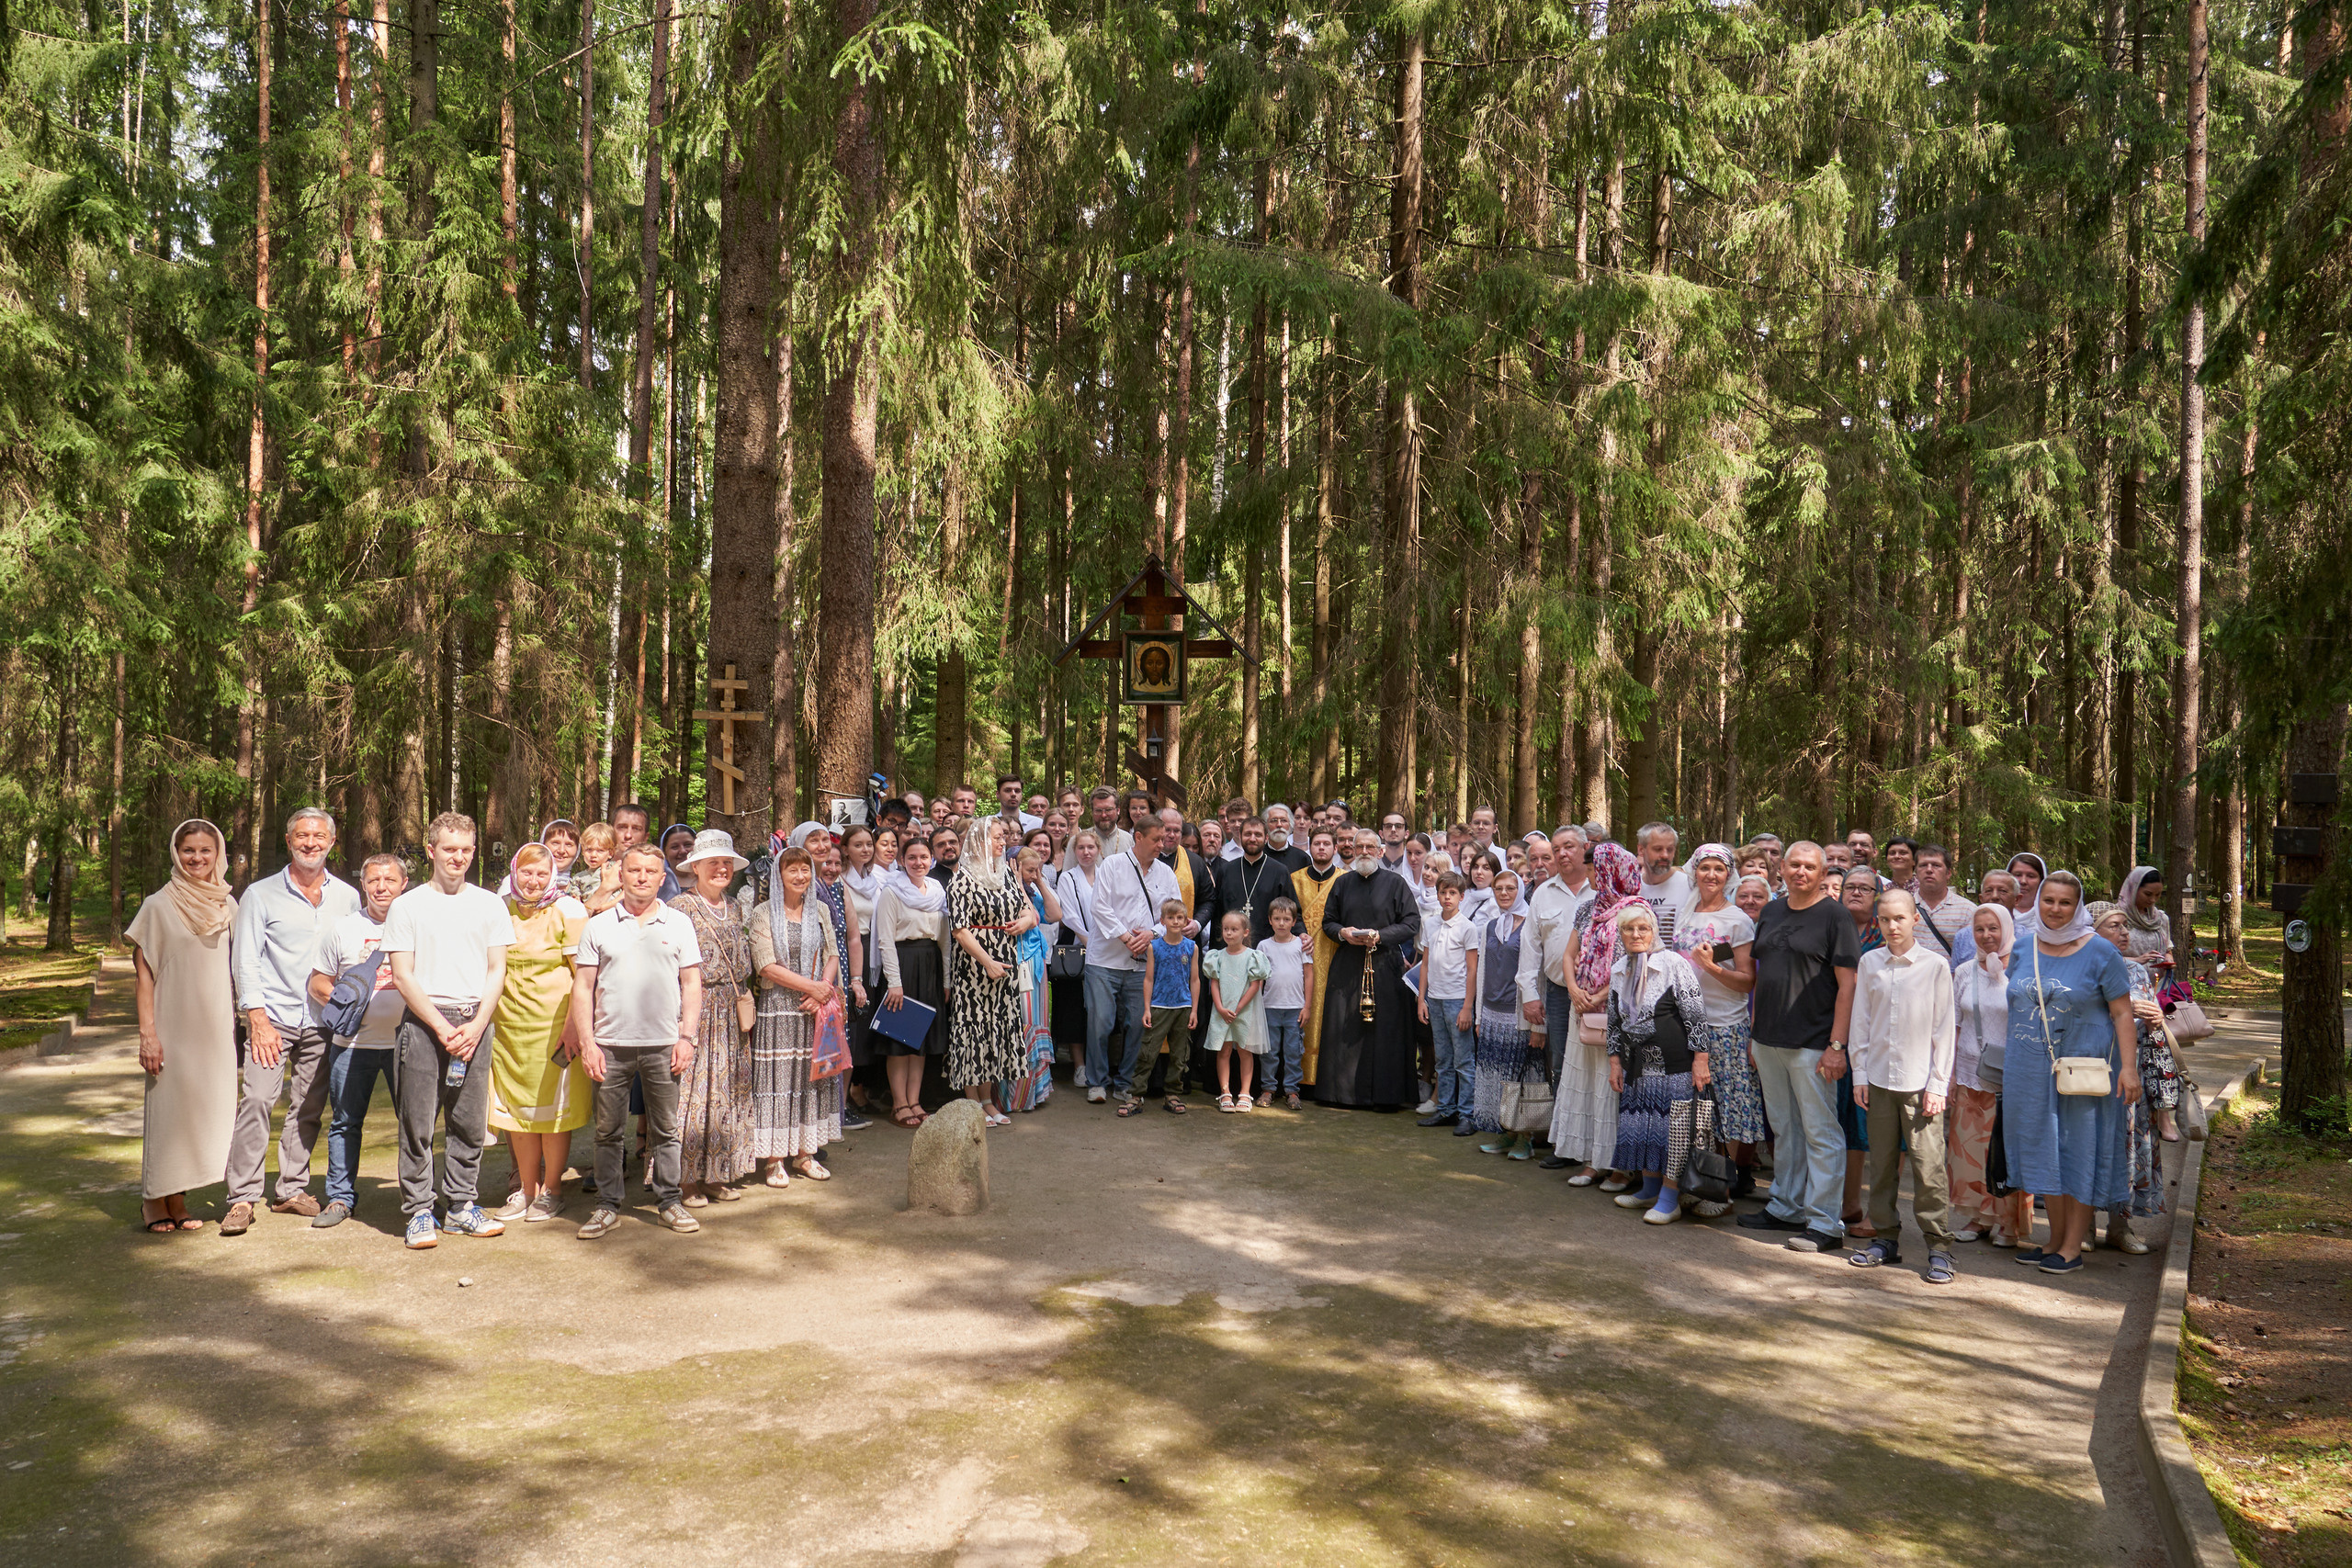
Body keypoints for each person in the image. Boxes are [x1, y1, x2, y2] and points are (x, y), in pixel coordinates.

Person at [224, 807, 360, 1231]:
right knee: (258, 1101)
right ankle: (243, 1197)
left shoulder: (348, 897)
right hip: (274, 1018)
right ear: (288, 841)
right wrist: (256, 1019)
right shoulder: (261, 895)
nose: (311, 843)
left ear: (331, 843)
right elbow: (245, 959)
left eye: (319, 837)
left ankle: (291, 1189)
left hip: (324, 1021)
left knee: (309, 1106)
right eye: (302, 836)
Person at [383, 812, 514, 1249]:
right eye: (449, 849)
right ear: (431, 851)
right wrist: (441, 1027)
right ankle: (420, 1210)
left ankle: (460, 1207)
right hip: (424, 1024)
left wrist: (477, 1024)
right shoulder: (408, 905)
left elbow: (498, 969)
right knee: (418, 1123)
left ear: (473, 852)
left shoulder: (490, 904)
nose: (457, 857)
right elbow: (403, 976)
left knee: (469, 1121)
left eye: (465, 850)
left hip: (475, 1022)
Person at [2002, 870, 2141, 1275]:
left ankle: (2073, 1246)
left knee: (2078, 1149)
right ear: (2039, 902)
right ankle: (2053, 1240)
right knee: (2044, 1149)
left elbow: (2122, 1012)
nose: (2056, 909)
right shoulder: (2024, 947)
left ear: (2077, 906)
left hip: (2084, 1069)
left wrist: (2128, 1069)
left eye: (2065, 902)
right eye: (2049, 901)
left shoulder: (2101, 952)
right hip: (2029, 1068)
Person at [1734, 841, 1860, 1256]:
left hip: (1813, 1044)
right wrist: (1755, 1036)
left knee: (1821, 1133)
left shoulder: (1835, 916)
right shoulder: (1770, 911)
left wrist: (1837, 1046)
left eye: (1810, 866)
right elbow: (1761, 976)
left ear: (1823, 873)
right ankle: (1786, 1205)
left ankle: (1825, 1222)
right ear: (1781, 869)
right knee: (1786, 1128)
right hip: (1768, 1040)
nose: (1801, 872)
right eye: (1794, 865)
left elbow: (1848, 986)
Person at [573, 845, 704, 1237]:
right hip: (610, 1045)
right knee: (608, 1131)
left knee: (666, 1129)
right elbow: (582, 987)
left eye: (651, 871)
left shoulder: (679, 923)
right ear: (621, 874)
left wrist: (687, 1038)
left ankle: (669, 1202)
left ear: (662, 878)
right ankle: (607, 1205)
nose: (642, 877)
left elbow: (692, 983)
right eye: (634, 870)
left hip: (665, 1043)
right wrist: (587, 1042)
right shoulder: (598, 925)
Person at [130, 819, 240, 1235]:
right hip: (171, 1027)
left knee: (205, 1114)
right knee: (169, 1113)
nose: (197, 858)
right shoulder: (157, 906)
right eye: (188, 850)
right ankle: (152, 1199)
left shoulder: (228, 905)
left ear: (218, 855)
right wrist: (148, 1034)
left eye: (205, 851)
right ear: (176, 854)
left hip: (214, 1029)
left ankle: (178, 1196)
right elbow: (144, 976)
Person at [1845, 889, 1961, 1282]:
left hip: (1920, 1083)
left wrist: (1938, 1083)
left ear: (1914, 919)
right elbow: (1860, 1021)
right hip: (1878, 1080)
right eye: (1884, 919)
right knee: (1880, 1167)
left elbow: (1944, 1029)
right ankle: (1885, 1238)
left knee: (1928, 1170)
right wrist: (1859, 1074)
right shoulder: (1870, 962)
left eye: (1899, 918)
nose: (1892, 926)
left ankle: (1938, 1246)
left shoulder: (1934, 966)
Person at [484, 843, 591, 1222]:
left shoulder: (568, 910)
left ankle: (553, 1190)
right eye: (527, 873)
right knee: (519, 1115)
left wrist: (575, 1025)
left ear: (553, 876)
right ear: (515, 872)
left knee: (554, 1113)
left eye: (541, 874)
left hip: (556, 1027)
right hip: (511, 1027)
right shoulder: (500, 910)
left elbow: (584, 975)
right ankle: (525, 1191)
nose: (533, 881)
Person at [307, 852, 410, 1228]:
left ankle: (418, 1198)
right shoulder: (343, 929)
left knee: (413, 1122)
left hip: (407, 1043)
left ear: (404, 885)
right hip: (352, 1045)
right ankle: (339, 1198)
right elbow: (317, 980)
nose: (381, 887)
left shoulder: (417, 925)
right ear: (363, 884)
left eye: (390, 881)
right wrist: (342, 999)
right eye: (374, 881)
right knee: (346, 1123)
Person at [1602, 904, 1710, 1224]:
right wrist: (1615, 1063)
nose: (1636, 935)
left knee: (1673, 1129)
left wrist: (1701, 1060)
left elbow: (1695, 1014)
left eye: (1643, 929)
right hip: (1637, 1063)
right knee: (1644, 1125)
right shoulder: (1620, 967)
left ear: (1654, 931)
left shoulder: (1673, 963)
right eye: (1628, 929)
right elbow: (1613, 1020)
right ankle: (1649, 1188)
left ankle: (1670, 1198)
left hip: (1673, 1064)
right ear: (1620, 934)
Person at [669, 830, 755, 1204]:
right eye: (713, 863)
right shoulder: (678, 908)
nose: (721, 869)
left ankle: (717, 1173)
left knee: (725, 1092)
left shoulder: (736, 906)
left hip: (731, 1009)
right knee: (691, 1094)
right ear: (697, 868)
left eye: (726, 863)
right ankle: (685, 1179)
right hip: (695, 1008)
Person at [750, 845, 842, 1187]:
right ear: (779, 875)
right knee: (779, 1081)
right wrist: (812, 988)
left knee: (811, 1080)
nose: (800, 876)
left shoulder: (819, 909)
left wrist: (823, 989)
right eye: (792, 870)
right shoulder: (762, 913)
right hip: (779, 1011)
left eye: (805, 870)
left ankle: (805, 1153)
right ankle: (774, 1159)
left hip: (814, 1009)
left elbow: (832, 953)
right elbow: (766, 965)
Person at [1548, 840, 1640, 1185]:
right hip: (1582, 1010)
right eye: (1590, 868)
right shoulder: (1587, 908)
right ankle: (1590, 1159)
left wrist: (1600, 994)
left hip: (1617, 1013)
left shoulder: (1636, 910)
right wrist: (1574, 989)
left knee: (1611, 1084)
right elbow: (1568, 955)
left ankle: (1618, 1164)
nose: (1590, 874)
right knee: (1585, 1081)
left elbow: (1634, 965)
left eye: (1595, 867)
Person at [1674, 843, 1763, 1195]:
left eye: (1719, 869)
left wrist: (1711, 968)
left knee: (1726, 1106)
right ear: (1694, 871)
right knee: (1690, 1108)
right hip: (1684, 1023)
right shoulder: (1685, 912)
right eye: (1705, 867)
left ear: (1729, 876)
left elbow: (1748, 980)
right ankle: (1691, 1181)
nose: (1711, 875)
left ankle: (1720, 1187)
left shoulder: (1737, 919)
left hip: (1723, 1025)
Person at [1315, 828, 1423, 1111]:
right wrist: (1344, 933)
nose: (1364, 851)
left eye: (1370, 847)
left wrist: (1381, 935)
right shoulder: (1342, 883)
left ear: (1380, 851)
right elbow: (1328, 922)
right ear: (1351, 850)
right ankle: (1342, 1094)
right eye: (1359, 846)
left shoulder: (1396, 883)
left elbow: (1411, 923)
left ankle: (1384, 1096)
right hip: (1348, 966)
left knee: (1386, 1031)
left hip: (1385, 965)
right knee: (1343, 1028)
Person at [1948, 902, 2033, 1247]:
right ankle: (1978, 1218)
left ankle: (2009, 1225)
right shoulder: (1965, 972)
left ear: (2007, 929)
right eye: (1979, 929)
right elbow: (1953, 1025)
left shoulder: (2024, 969)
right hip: (1970, 1072)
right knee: (1970, 1150)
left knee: (2006, 1149)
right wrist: (1950, 1074)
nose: (1986, 936)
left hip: (2013, 1075)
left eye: (1993, 928)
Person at [1082, 815, 1181, 1106]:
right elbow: (1099, 907)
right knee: (1100, 1023)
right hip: (1105, 961)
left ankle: (1126, 1083)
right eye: (1156, 840)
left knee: (1139, 1025)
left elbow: (1173, 915)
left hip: (1142, 965)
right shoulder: (1112, 865)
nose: (1162, 845)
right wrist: (1127, 937)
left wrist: (1151, 933)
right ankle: (1097, 1082)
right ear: (1138, 838)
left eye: (1164, 840)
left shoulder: (1166, 873)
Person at [2092, 900, 2172, 1254]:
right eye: (2114, 926)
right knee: (2090, 1148)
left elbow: (2151, 1020)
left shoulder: (2137, 972)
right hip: (2093, 1072)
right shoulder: (2083, 966)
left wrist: (2154, 1018)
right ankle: (2079, 1227)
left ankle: (2119, 1226)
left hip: (2130, 1071)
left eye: (2125, 926)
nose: (2125, 933)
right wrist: (2118, 1014)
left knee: (2127, 1147)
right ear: (2091, 932)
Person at [947, 817, 1035, 1126]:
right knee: (974, 1031)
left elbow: (1028, 911)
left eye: (1004, 838)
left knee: (995, 1032)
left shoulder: (1006, 876)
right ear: (979, 840)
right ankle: (973, 1103)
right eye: (996, 838)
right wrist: (987, 961)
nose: (1003, 843)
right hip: (974, 968)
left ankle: (988, 1100)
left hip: (1005, 963)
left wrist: (1024, 921)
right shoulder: (962, 879)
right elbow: (959, 929)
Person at [874, 837, 952, 1124]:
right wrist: (894, 982)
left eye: (923, 857)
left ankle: (915, 1101)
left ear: (931, 859)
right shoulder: (892, 892)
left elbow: (944, 939)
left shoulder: (937, 890)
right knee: (899, 1039)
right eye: (912, 858)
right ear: (902, 861)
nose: (918, 863)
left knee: (920, 1040)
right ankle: (899, 1104)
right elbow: (885, 940)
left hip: (930, 965)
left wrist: (946, 980)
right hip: (903, 966)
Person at [1470, 871, 1546, 1157]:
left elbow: (1536, 976)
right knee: (1498, 1077)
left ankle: (1524, 1139)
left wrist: (1539, 1025)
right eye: (1498, 888)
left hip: (1519, 1015)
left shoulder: (1531, 926)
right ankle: (1505, 1133)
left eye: (1510, 888)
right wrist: (1479, 1016)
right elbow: (1482, 973)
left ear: (1520, 889)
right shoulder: (1490, 926)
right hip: (1491, 1013)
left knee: (1522, 1077)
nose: (1504, 893)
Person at [1521, 827, 1593, 1102]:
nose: (1562, 853)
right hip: (1559, 994)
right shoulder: (1543, 893)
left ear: (1585, 847)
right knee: (1561, 1065)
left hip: (1599, 997)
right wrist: (1530, 995)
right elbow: (1529, 949)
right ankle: (1563, 1140)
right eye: (1557, 849)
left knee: (1597, 1064)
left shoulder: (1601, 888)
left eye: (1569, 846)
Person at [1005, 845, 1065, 1111]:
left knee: (1037, 1020)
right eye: (1029, 869)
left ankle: (1036, 1089)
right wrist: (1017, 881)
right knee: (1023, 1021)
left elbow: (1055, 915)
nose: (1033, 874)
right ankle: (1018, 1093)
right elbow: (1032, 916)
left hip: (1037, 960)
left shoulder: (1034, 886)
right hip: (1018, 959)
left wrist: (1038, 879)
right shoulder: (1007, 889)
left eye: (1037, 868)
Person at [1417, 873, 1479, 1128]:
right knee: (1443, 1059)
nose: (1447, 898)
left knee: (1463, 1059)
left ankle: (1466, 1114)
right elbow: (1425, 964)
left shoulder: (1467, 927)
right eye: (1443, 892)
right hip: (1436, 999)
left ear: (1461, 897)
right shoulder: (1431, 924)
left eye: (1452, 893)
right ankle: (1446, 1109)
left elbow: (1473, 970)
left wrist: (1467, 1006)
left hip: (1457, 1001)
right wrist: (1422, 999)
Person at [1128, 898, 1200, 1116]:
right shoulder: (1154, 946)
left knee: (1180, 1054)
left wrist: (1194, 1010)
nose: (1175, 922)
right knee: (1148, 1052)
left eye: (1180, 918)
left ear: (1186, 920)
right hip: (1159, 1005)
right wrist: (1147, 1008)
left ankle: (1173, 1094)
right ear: (1162, 921)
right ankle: (1136, 1096)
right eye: (1171, 917)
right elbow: (1148, 979)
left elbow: (1195, 980)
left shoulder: (1191, 947)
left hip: (1183, 1006)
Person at [1290, 825, 1343, 1087]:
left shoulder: (1345, 878)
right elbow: (1290, 913)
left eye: (1326, 844)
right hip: (1298, 956)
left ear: (1335, 848)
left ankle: (1324, 1078)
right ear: (1309, 847)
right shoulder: (1295, 879)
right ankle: (1296, 1079)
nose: (1321, 848)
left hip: (1335, 957)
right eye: (1316, 844)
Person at [1203, 909, 1272, 1110]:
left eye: (1234, 929)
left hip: (1245, 1012)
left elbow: (1255, 985)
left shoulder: (1253, 957)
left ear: (1245, 932)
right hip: (1222, 1011)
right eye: (1226, 929)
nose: (1229, 933)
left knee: (1245, 1051)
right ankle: (1225, 1092)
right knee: (1223, 1051)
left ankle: (1245, 1093)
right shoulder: (1217, 957)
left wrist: (1239, 1007)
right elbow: (1214, 983)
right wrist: (1221, 1008)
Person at [1258, 897, 1313, 1111]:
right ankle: (1268, 1089)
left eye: (1286, 919)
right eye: (1277, 918)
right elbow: (1259, 978)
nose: (1281, 923)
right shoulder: (1264, 946)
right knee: (1269, 1052)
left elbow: (1308, 975)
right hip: (1269, 1007)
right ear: (1270, 920)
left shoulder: (1301, 944)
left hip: (1295, 1008)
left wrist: (1307, 1006)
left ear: (1294, 921)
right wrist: (1257, 1006)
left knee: (1293, 1051)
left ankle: (1291, 1090)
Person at [1055, 829, 1102, 1081]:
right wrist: (1090, 941)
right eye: (1081, 848)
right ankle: (1079, 1065)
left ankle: (1098, 1063)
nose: (1086, 852)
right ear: (1075, 851)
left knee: (1099, 1009)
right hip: (1078, 948)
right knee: (1075, 1007)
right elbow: (1069, 915)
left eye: (1091, 848)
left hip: (1106, 950)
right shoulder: (1068, 878)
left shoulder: (1107, 876)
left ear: (1098, 850)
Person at [1212, 816, 1299, 948]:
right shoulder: (1226, 871)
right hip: (1230, 949)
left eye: (1258, 834)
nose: (1252, 839)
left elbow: (1293, 911)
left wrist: (1301, 934)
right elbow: (1217, 914)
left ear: (1266, 838)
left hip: (1269, 949)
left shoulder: (1280, 871)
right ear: (1240, 837)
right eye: (1248, 834)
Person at [1633, 822, 1691, 945]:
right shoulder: (1632, 887)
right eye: (1658, 849)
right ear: (1641, 850)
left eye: (1670, 849)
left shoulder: (1689, 885)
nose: (1665, 855)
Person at [1914, 844, 1974, 954]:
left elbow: (1971, 957)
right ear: (1916, 872)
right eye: (1923, 865)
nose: (1929, 870)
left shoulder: (1967, 911)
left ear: (1948, 873)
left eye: (1936, 865)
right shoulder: (1903, 907)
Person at [573, 821, 622, 912]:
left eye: (600, 851)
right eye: (589, 850)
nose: (593, 855)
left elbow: (627, 893)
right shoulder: (578, 878)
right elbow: (575, 900)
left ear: (610, 853)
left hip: (614, 914)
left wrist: (609, 905)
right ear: (583, 851)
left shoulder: (615, 869)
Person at [1261, 804, 1309, 874]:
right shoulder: (1257, 855)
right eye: (1274, 820)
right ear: (1266, 825)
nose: (1279, 825)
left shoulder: (1302, 858)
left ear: (1290, 825)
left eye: (1283, 820)